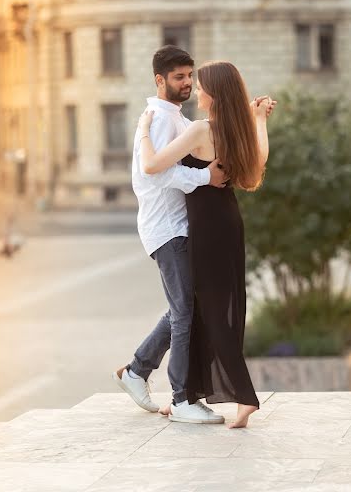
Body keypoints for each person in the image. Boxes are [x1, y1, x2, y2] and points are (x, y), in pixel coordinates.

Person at [138, 59, 275, 428]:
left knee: (211, 313)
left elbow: (151, 166)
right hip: (228, 224)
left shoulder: (201, 130)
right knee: (203, 310)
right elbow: (259, 162)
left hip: (207, 231)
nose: (196, 91)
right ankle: (188, 394)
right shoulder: (237, 130)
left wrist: (144, 130)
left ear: (213, 95)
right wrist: (259, 119)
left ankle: (244, 398)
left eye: (200, 86)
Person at [114, 46, 231, 424]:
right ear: (160, 80)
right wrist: (205, 177)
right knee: (184, 311)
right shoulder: (159, 119)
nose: (186, 83)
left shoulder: (175, 118)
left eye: (189, 76)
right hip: (166, 228)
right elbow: (152, 173)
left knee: (185, 307)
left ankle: (136, 371)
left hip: (179, 226)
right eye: (178, 77)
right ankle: (181, 398)